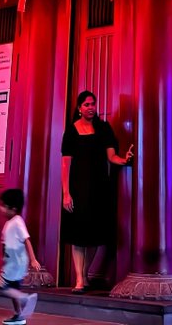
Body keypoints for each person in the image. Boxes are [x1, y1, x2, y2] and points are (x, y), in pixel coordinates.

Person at [60, 89, 133, 292]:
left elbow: (112, 156)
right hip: (77, 187)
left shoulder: (103, 128)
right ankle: (79, 279)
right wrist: (66, 193)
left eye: (93, 104)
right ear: (79, 108)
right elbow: (65, 164)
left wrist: (125, 160)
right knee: (78, 234)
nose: (91, 107)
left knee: (93, 234)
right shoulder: (71, 131)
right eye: (86, 104)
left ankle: (85, 273)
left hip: (99, 187)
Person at [0, 187, 41, 325]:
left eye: (4, 206)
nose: (1, 208)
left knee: (2, 285)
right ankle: (19, 315)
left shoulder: (17, 221)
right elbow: (5, 244)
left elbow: (26, 240)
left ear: (13, 208)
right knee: (13, 288)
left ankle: (24, 298)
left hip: (15, 261)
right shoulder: (9, 223)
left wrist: (33, 259)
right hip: (11, 261)